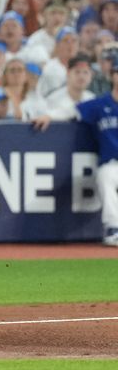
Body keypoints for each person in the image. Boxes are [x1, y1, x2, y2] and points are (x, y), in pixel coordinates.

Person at [77, 59, 118, 247]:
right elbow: (71, 111)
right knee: (105, 177)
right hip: (112, 163)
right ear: (112, 76)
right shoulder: (99, 104)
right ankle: (113, 228)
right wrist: (48, 116)